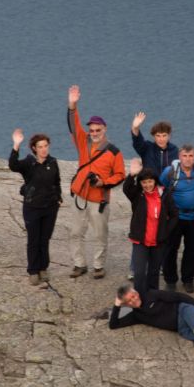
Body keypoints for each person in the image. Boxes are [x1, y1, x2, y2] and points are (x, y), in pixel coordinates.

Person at [67, 85, 126, 279]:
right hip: (80, 195)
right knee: (76, 232)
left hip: (99, 199)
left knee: (100, 235)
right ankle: (79, 264)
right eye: (91, 129)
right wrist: (72, 104)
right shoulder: (83, 141)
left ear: (105, 129)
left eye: (97, 130)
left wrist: (103, 182)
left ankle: (98, 266)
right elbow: (73, 125)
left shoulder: (114, 152)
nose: (94, 132)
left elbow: (120, 175)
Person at [9, 129, 62, 289]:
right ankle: (33, 271)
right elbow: (13, 165)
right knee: (33, 240)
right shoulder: (28, 163)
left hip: (50, 208)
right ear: (34, 148)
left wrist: (58, 198)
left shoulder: (52, 162)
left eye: (46, 146)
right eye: (40, 146)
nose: (44, 149)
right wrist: (16, 145)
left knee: (44, 239)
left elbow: (57, 181)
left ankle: (43, 268)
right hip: (32, 208)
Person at [122, 159, 178, 295]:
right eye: (144, 182)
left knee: (154, 272)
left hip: (159, 241)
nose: (147, 185)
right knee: (139, 272)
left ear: (155, 181)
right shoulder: (137, 195)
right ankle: (139, 298)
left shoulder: (164, 194)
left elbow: (175, 215)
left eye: (150, 181)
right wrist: (132, 175)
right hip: (140, 240)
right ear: (140, 183)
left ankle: (153, 297)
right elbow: (126, 189)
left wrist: (166, 232)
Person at [160, 145, 194, 293]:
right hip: (175, 217)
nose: (188, 159)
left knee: (193, 250)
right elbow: (161, 189)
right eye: (185, 156)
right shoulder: (170, 172)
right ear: (179, 157)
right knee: (170, 249)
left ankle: (188, 279)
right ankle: (170, 280)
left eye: (191, 156)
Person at [130, 112, 178, 177]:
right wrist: (135, 128)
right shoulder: (147, 148)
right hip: (150, 185)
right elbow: (137, 142)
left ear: (169, 136)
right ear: (153, 136)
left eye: (164, 135)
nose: (161, 139)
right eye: (158, 136)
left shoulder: (174, 150)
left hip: (168, 185)